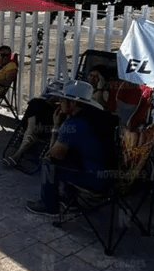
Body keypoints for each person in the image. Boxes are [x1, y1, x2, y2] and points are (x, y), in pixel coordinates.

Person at [25, 80, 118, 216]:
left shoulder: (72, 125)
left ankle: (48, 205)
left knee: (49, 164)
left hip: (97, 181)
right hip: (110, 176)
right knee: (69, 154)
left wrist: (56, 126)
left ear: (73, 103)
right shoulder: (97, 117)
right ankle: (69, 200)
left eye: (63, 100)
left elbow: (53, 155)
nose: (59, 102)